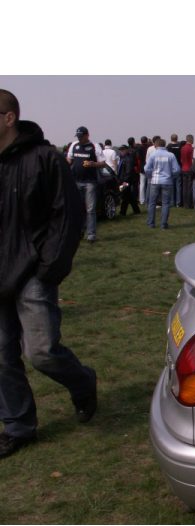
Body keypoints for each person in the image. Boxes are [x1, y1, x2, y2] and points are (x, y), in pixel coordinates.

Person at [0, 89, 97, 458]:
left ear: (9, 117)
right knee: (1, 357)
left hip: (32, 272)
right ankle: (18, 426)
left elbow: (68, 214)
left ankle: (83, 381)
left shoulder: (45, 158)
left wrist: (49, 267)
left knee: (41, 352)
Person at [66, 125, 106, 243]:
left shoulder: (94, 146)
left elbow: (103, 163)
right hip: (76, 181)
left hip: (90, 182)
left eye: (81, 136)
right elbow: (69, 160)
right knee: (78, 208)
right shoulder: (74, 145)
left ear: (87, 135)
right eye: (78, 136)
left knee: (90, 209)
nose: (79, 139)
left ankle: (91, 234)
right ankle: (78, 232)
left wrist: (92, 164)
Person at [144, 138, 180, 229]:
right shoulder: (170, 155)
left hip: (155, 181)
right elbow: (177, 170)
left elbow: (146, 169)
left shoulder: (153, 155)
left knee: (152, 203)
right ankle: (163, 224)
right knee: (166, 203)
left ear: (155, 145)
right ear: (164, 145)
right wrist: (171, 176)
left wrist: (150, 176)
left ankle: (151, 223)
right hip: (167, 181)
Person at [118, 145, 140, 215]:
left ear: (127, 150)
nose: (121, 152)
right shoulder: (123, 158)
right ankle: (136, 210)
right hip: (124, 180)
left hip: (126, 180)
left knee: (125, 196)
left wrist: (125, 181)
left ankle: (122, 212)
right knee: (128, 196)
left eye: (123, 150)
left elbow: (129, 171)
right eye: (120, 150)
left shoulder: (128, 159)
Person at [167, 133, 183, 207]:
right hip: (179, 166)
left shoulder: (168, 147)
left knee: (171, 185)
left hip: (170, 168)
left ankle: (172, 202)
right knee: (178, 186)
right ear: (177, 138)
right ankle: (178, 202)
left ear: (171, 139)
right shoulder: (180, 146)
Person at [180, 134, 195, 209]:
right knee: (189, 187)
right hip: (189, 169)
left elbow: (181, 159)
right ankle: (189, 204)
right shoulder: (191, 149)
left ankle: (184, 203)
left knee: (184, 187)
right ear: (191, 140)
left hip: (183, 168)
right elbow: (192, 160)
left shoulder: (182, 148)